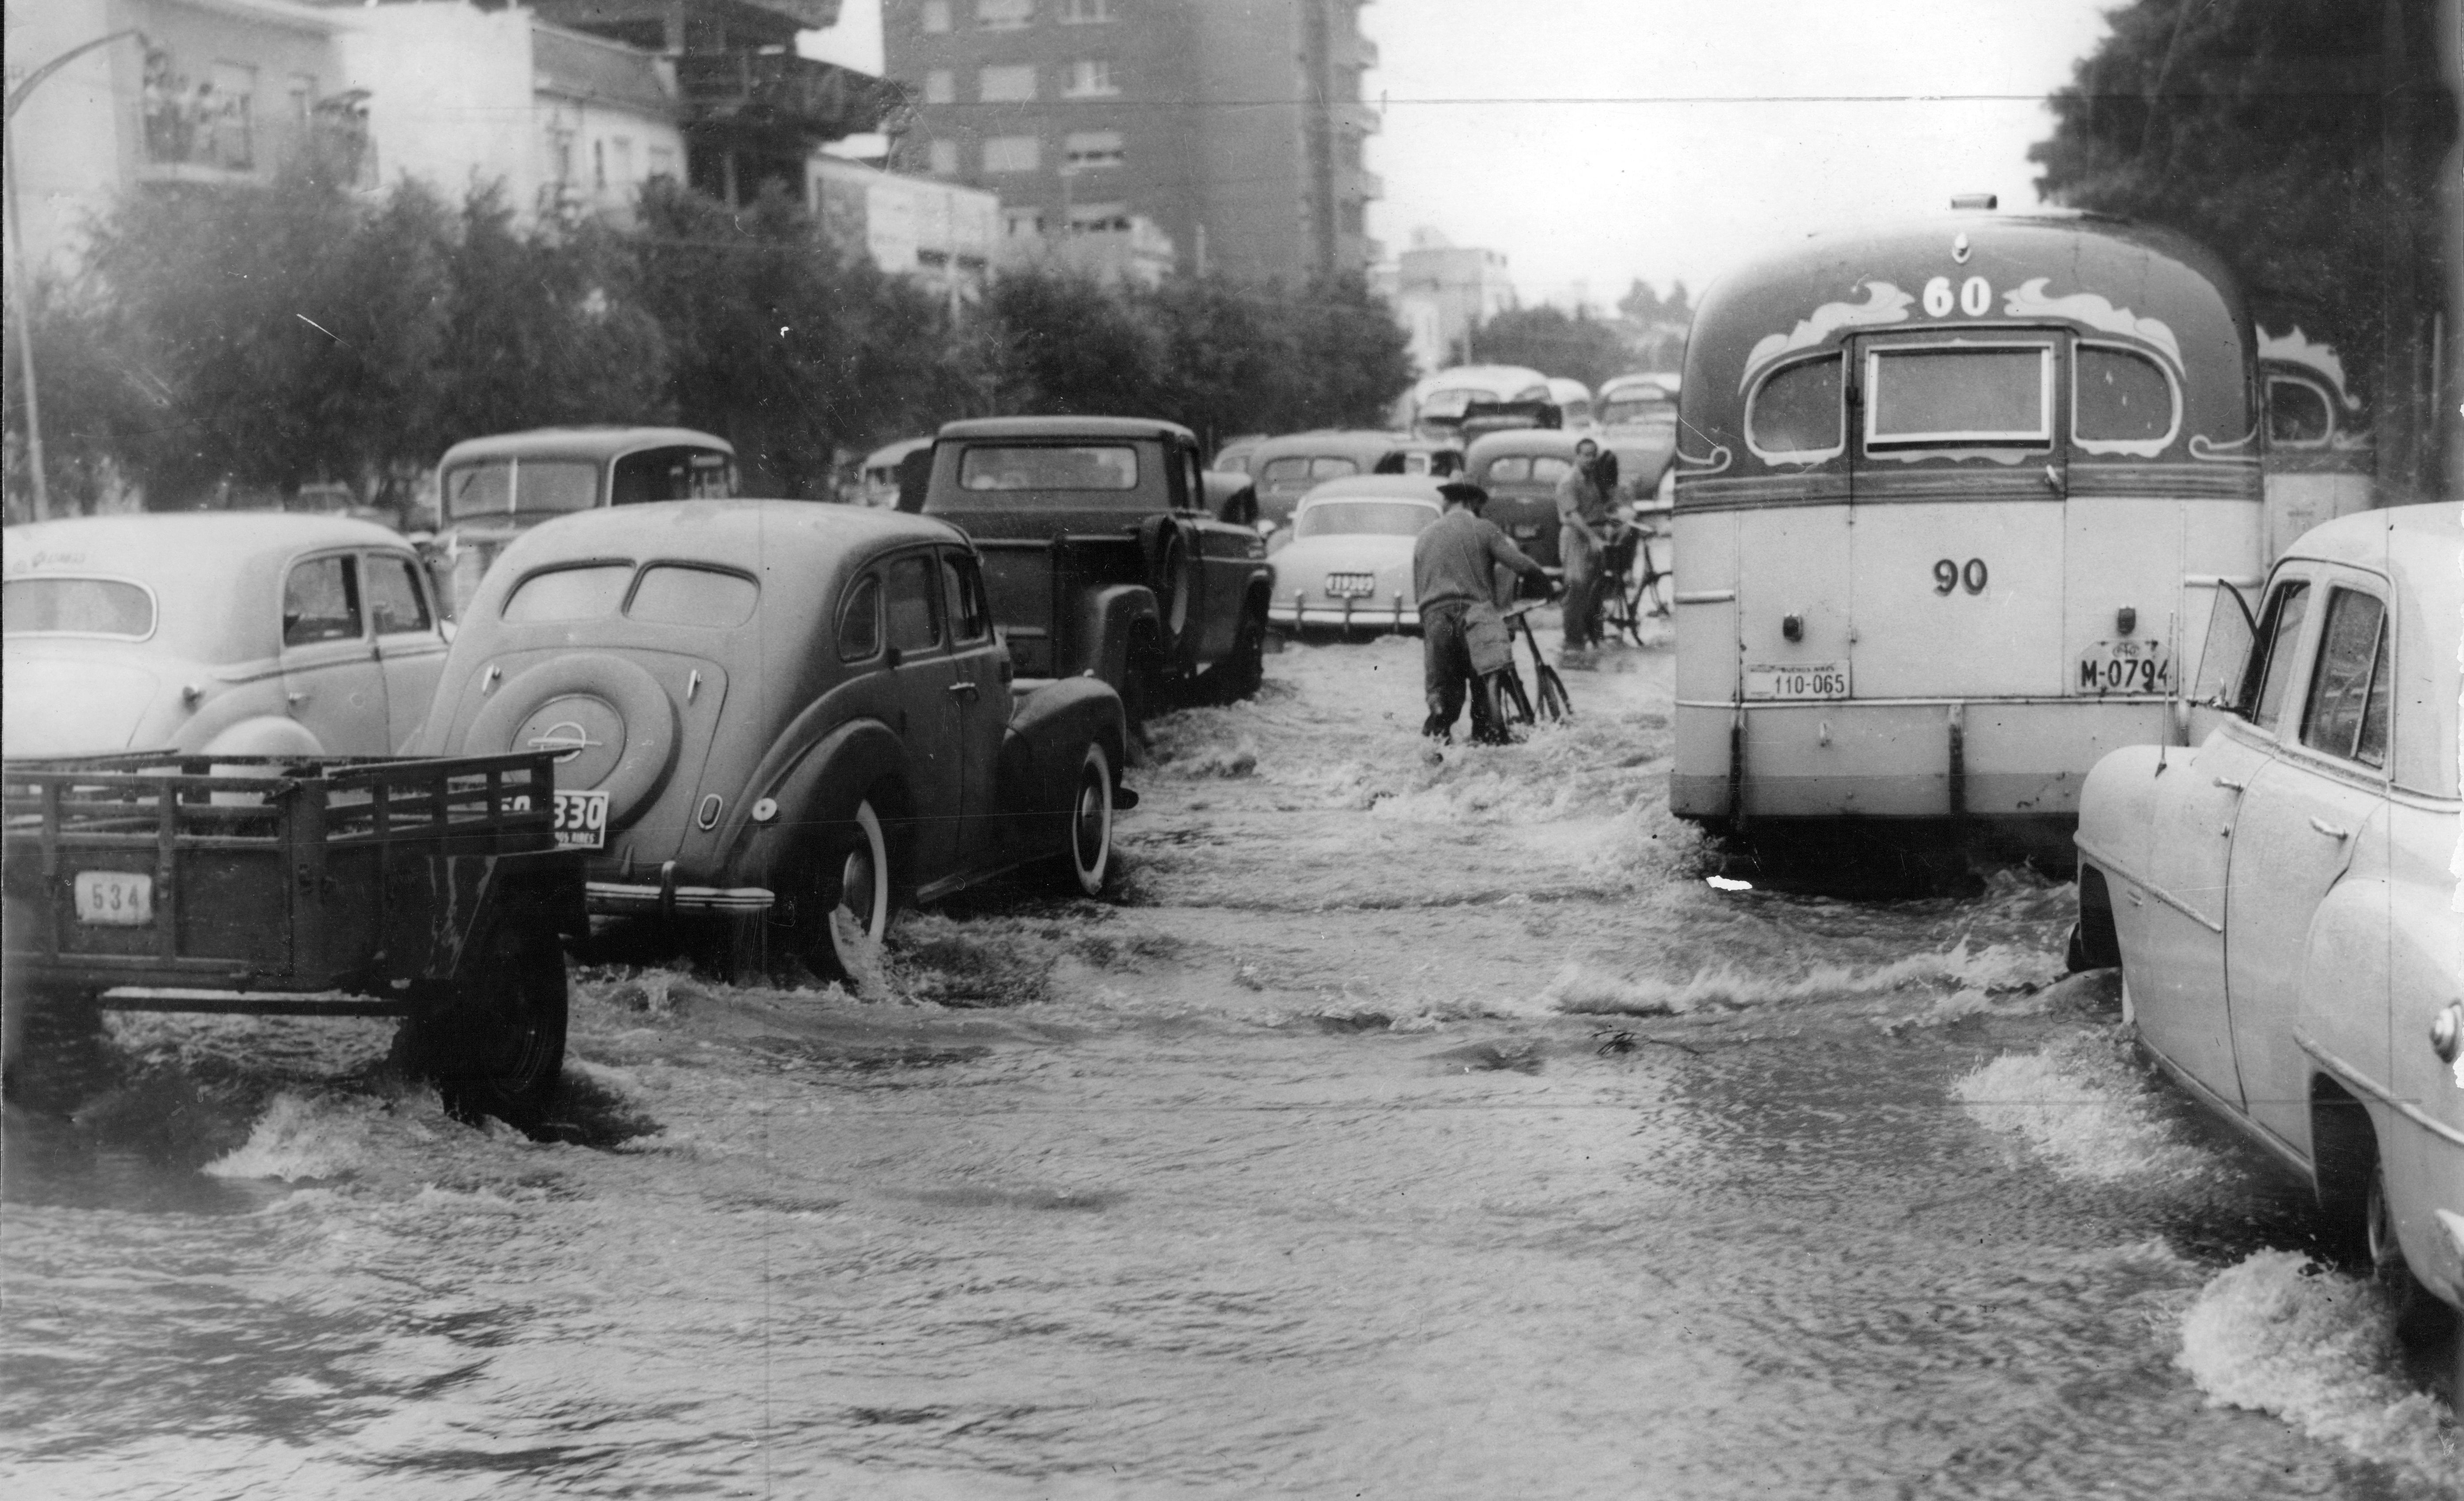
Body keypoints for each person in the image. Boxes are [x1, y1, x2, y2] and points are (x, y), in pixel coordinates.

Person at [1413, 480, 1552, 744]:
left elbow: (1419, 592)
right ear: (1474, 504)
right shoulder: (1484, 529)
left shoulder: (1424, 536)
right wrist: (1546, 584)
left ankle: (1438, 721)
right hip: (1473, 614)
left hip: (1435, 616)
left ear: (1448, 503)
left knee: (1444, 689)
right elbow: (1520, 564)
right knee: (1483, 680)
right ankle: (1486, 738)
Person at [1554, 438, 1614, 663]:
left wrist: (1607, 524)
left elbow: (1596, 509)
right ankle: (1573, 644)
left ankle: (1595, 638)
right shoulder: (1569, 481)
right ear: (1577, 456)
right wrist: (1592, 537)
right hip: (1576, 537)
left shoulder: (1591, 480)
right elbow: (1573, 515)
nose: (1590, 460)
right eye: (1586, 455)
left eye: (1593, 455)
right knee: (1576, 588)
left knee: (1596, 590)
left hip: (1593, 537)